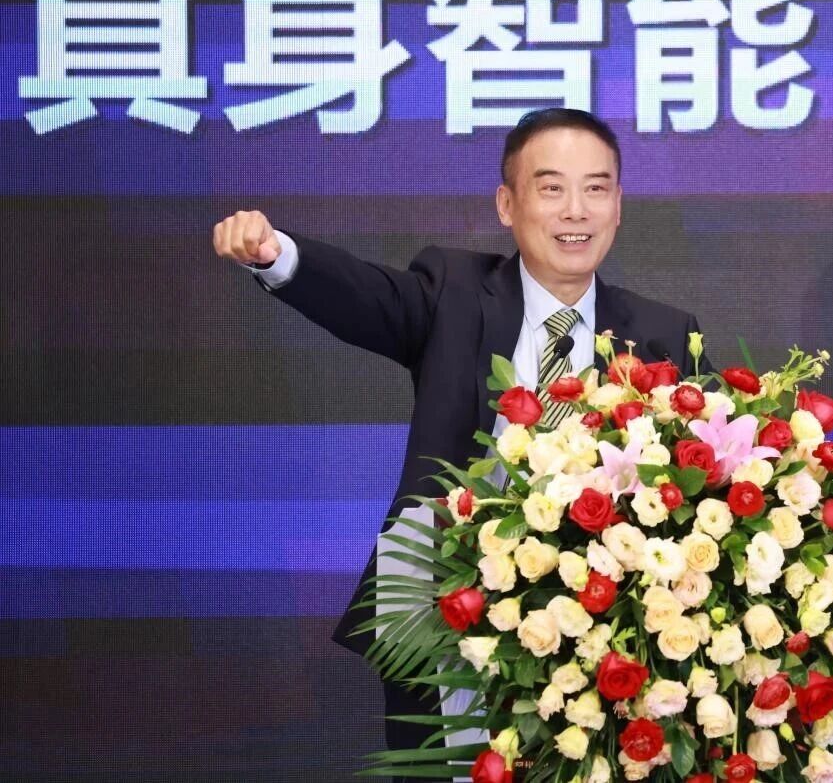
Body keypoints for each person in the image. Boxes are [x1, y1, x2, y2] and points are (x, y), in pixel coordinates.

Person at [212, 108, 708, 758]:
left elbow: (699, 488)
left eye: (596, 188)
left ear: (617, 206)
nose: (575, 211)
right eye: (551, 187)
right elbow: (365, 296)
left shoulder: (663, 334)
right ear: (507, 204)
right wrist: (278, 256)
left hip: (607, 635)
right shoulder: (452, 291)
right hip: (447, 611)